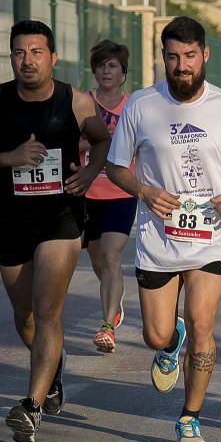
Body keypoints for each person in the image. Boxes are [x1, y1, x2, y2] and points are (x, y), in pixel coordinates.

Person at [106, 16, 221, 442]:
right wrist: (143, 190)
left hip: (212, 235)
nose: (182, 66)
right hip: (158, 238)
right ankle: (168, 342)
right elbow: (116, 166)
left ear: (205, 55)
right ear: (163, 58)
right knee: (156, 336)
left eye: (190, 56)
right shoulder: (140, 105)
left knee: (204, 323)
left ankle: (190, 418)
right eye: (173, 57)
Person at [0, 19, 110, 442]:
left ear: (53, 57)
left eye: (36, 52)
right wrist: (11, 156)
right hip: (10, 218)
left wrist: (91, 172)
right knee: (23, 314)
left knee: (47, 311)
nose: (28, 60)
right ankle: (54, 371)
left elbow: (101, 140)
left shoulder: (75, 101)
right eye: (19, 53)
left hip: (60, 215)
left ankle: (31, 406)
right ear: (11, 58)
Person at [81, 40, 139, 353]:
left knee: (111, 256)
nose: (106, 70)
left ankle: (106, 327)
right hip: (87, 192)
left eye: (112, 65)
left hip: (120, 192)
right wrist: (97, 142)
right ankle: (114, 302)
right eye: (101, 65)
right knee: (99, 261)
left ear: (122, 72)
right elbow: (72, 143)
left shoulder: (133, 106)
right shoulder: (83, 103)